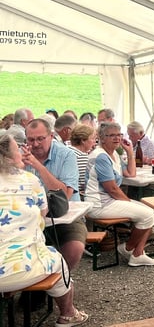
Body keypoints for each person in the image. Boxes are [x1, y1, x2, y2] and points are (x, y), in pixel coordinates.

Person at [0, 134, 89, 326]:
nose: (26, 149)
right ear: (9, 158)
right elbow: (43, 212)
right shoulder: (28, 180)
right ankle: (68, 314)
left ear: (50, 136)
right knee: (59, 261)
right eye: (18, 149)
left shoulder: (65, 155)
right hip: (17, 269)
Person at [84, 122, 154, 267]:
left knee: (150, 211)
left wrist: (130, 152)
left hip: (109, 201)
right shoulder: (101, 156)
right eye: (112, 135)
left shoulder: (114, 154)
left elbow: (131, 173)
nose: (117, 138)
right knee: (147, 214)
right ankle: (128, 248)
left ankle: (138, 254)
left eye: (119, 135)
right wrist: (129, 202)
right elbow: (112, 189)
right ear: (102, 138)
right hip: (99, 204)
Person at [22, 118, 87, 271]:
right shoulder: (19, 156)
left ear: (51, 136)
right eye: (31, 140)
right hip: (30, 216)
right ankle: (29, 280)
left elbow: (65, 195)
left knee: (75, 247)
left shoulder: (67, 155)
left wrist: (37, 165)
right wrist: (19, 166)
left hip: (64, 215)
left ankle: (58, 279)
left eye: (40, 139)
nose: (35, 144)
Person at [69, 124, 98, 197]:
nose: (94, 142)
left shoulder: (67, 150)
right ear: (83, 141)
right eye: (92, 138)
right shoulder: (82, 157)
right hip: (78, 196)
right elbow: (86, 183)